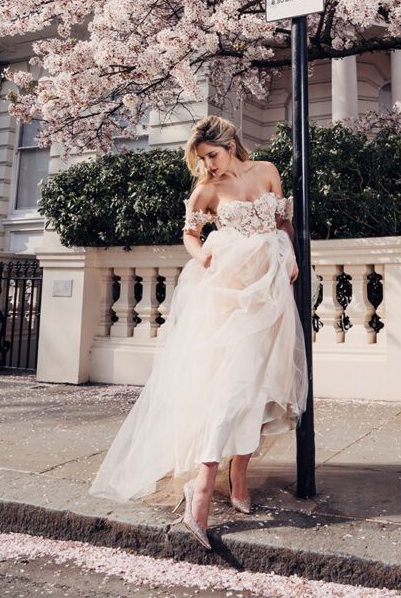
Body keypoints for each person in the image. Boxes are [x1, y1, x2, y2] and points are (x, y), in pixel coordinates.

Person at [88, 115, 309, 550]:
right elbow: (190, 235)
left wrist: (293, 258)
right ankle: (203, 488)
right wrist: (204, 258)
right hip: (231, 291)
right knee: (233, 385)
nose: (207, 165)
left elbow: (283, 224)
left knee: (262, 386)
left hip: (273, 289)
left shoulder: (266, 172)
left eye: (212, 155)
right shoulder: (206, 190)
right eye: (201, 159)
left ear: (230, 145)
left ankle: (239, 475)